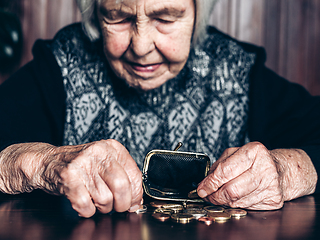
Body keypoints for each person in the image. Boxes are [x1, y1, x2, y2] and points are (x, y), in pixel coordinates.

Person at [0, 0, 319, 218]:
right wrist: (38, 165)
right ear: (96, 14)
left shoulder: (236, 69)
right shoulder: (58, 66)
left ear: (197, 14)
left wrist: (286, 171)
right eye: (118, 16)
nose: (141, 47)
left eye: (165, 18)